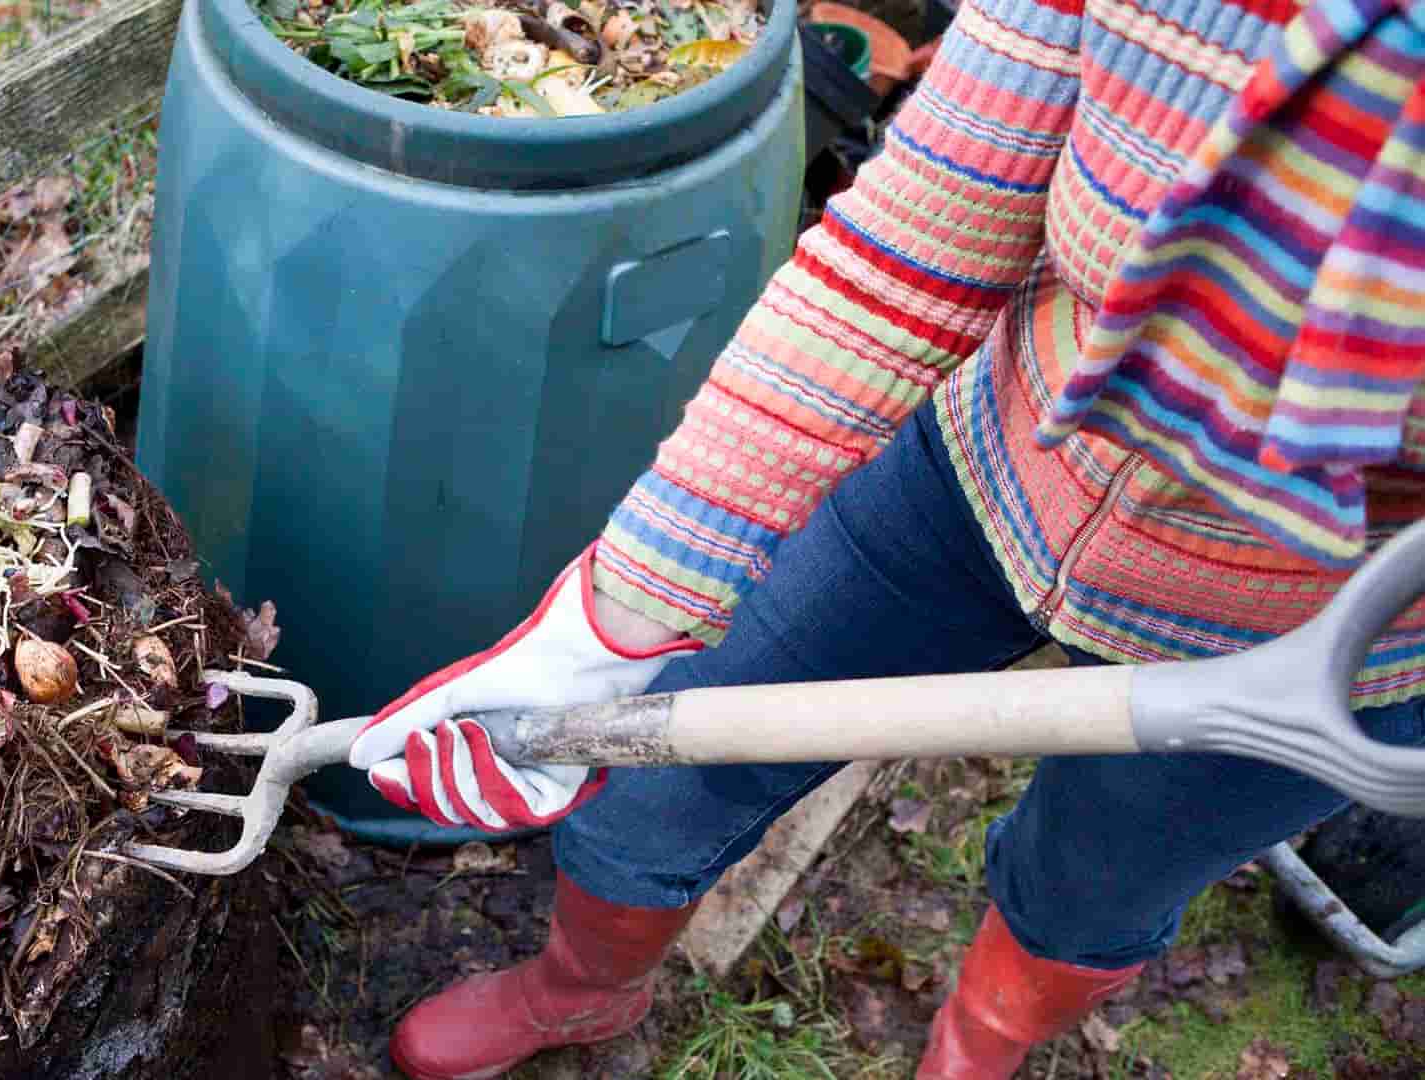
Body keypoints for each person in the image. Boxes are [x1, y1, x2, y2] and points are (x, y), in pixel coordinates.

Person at [343, 0, 1425, 1074]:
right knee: (652, 782)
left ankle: (974, 1051)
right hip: (980, 474)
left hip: (1314, 642)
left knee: (1089, 894)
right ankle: (579, 993)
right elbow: (909, 250)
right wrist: (615, 618)